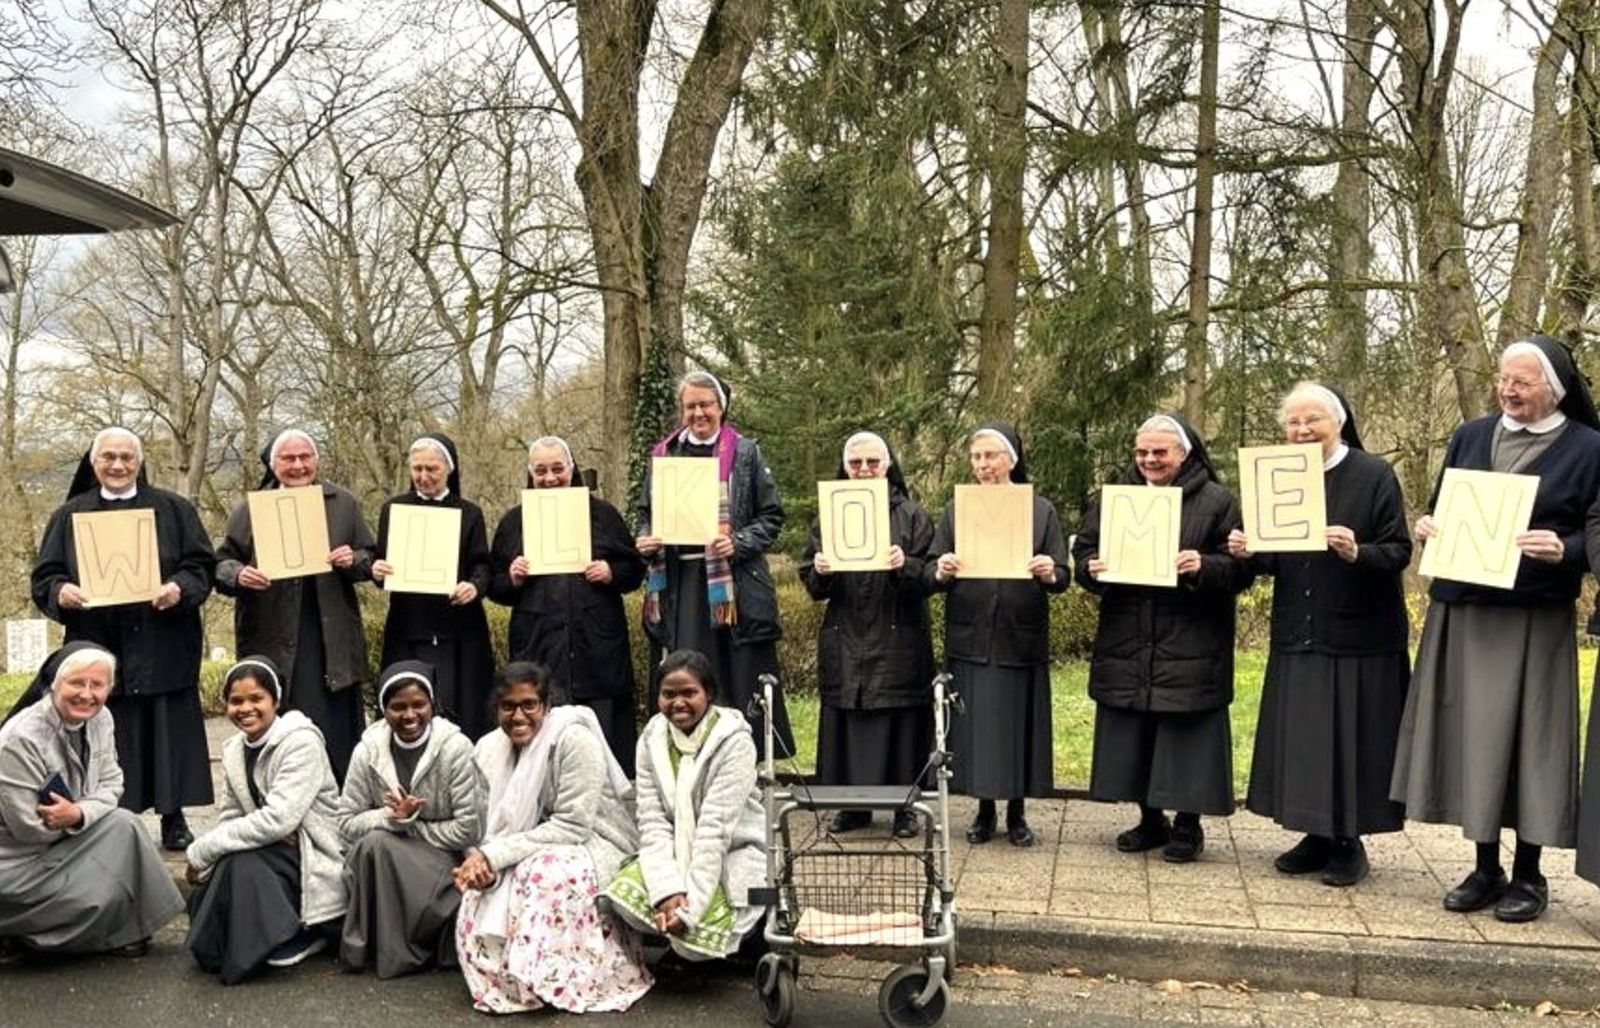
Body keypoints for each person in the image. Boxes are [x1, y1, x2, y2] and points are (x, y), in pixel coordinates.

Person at [1394, 336, 1600, 923]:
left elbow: (1597, 532)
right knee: (1472, 738)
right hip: (1464, 608)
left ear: (1554, 389)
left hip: (1534, 614)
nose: (1508, 391)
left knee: (1531, 741)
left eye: (1522, 383)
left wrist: (1567, 548)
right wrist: (1428, 525)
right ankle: (1485, 865)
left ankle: (1530, 874)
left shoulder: (1590, 448)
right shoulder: (1471, 435)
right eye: (1503, 380)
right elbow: (1440, 505)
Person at [1232, 384, 1411, 886]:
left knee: (1350, 741)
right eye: (1293, 423)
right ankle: (1314, 832)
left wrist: (1358, 551)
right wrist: (1249, 549)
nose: (1302, 430)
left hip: (1358, 631)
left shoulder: (1373, 474)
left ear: (1338, 421)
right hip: (1298, 628)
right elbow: (1273, 558)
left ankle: (1349, 842)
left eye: (1313, 420)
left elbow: (1398, 550)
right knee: (1306, 740)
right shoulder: (1277, 477)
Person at [1074, 414, 1254, 863]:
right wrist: (1089, 567)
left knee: (1185, 736)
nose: (1149, 460)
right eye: (1141, 452)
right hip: (1128, 633)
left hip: (1190, 637)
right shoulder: (1116, 498)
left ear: (1184, 453)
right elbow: (1084, 550)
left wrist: (1205, 566)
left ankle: (1188, 827)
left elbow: (1242, 568)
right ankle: (1150, 819)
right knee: (1139, 733)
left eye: (1159, 452)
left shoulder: (1218, 502)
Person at [28, 426, 216, 850]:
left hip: (164, 641)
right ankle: (113, 819)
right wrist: (62, 591)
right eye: (108, 457)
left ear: (140, 462)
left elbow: (201, 566)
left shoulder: (174, 510)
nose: (117, 465)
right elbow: (45, 577)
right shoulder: (69, 516)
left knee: (168, 732)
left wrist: (178, 589)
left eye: (126, 457)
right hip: (100, 645)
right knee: (111, 737)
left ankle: (174, 818)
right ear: (94, 463)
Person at [453, 662, 652, 1014]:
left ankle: (562, 980)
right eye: (508, 706)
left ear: (546, 706)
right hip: (515, 847)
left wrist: (496, 855)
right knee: (478, 892)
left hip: (591, 842)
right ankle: (507, 983)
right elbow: (479, 825)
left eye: (529, 704)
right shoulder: (486, 749)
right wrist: (479, 861)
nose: (518, 716)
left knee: (541, 874)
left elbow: (573, 825)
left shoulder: (574, 739)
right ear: (496, 709)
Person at [925, 422, 1069, 847]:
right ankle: (984, 811)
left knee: (1018, 727)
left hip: (1018, 636)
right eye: (976, 457)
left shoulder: (1040, 511)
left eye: (991, 456)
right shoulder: (956, 511)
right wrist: (942, 568)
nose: (983, 465)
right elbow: (931, 569)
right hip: (971, 634)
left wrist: (1049, 571)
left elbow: (1062, 574)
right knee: (976, 730)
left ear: (1012, 459)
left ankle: (1018, 812)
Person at [636, 371, 793, 758]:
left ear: (721, 407)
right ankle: (694, 757)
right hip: (682, 583)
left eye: (706, 404)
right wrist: (646, 536)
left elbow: (771, 517)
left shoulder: (745, 453)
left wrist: (736, 542)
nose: (698, 412)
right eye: (690, 405)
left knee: (741, 675)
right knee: (692, 672)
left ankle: (753, 762)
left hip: (733, 584)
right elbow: (645, 514)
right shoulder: (663, 456)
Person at [0, 643, 183, 964]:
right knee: (98, 889)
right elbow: (30, 829)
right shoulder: (19, 740)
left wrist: (79, 813)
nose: (86, 694)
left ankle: (130, 926)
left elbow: (113, 784)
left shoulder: (102, 720)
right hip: (16, 862)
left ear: (109, 689)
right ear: (54, 683)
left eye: (97, 685)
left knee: (124, 825)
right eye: (76, 683)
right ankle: (27, 934)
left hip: (60, 837)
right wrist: (81, 821)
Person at [216, 429, 376, 781]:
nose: (299, 465)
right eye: (289, 459)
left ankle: (341, 801)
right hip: (273, 633)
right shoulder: (251, 509)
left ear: (316, 461)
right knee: (283, 721)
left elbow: (371, 558)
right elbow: (221, 564)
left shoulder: (342, 503)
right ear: (274, 465)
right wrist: (240, 574)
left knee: (336, 728)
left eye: (305, 457)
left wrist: (354, 558)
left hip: (329, 634)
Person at [799, 430, 936, 837]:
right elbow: (810, 580)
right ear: (845, 467)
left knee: (901, 720)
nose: (863, 470)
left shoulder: (912, 515)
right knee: (848, 719)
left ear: (888, 466)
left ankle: (904, 809)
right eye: (855, 463)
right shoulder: (828, 517)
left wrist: (904, 564)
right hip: (846, 633)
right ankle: (851, 807)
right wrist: (819, 569)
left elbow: (930, 576)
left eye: (872, 463)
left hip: (897, 633)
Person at [185, 657, 346, 983]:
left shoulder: (302, 742)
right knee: (233, 858)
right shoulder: (233, 749)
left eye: (256, 698)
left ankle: (303, 930)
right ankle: (245, 939)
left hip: (311, 850)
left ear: (275, 700)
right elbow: (232, 815)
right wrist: (223, 844)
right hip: (270, 846)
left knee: (242, 861)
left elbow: (279, 819)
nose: (246, 708)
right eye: (236, 700)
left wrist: (201, 851)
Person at [491, 436, 646, 771]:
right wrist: (513, 577)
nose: (550, 478)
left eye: (557, 469)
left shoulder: (603, 514)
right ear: (530, 474)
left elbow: (634, 571)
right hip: (539, 642)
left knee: (602, 732)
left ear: (571, 469)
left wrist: (610, 571)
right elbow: (494, 585)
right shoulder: (513, 521)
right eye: (541, 471)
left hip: (596, 644)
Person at [605, 650, 765, 960]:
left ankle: (742, 939)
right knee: (622, 901)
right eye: (668, 694)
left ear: (709, 694)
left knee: (692, 944)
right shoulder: (651, 738)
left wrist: (691, 906)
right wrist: (668, 892)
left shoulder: (735, 742)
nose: (678, 702)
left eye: (689, 693)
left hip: (732, 851)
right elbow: (652, 823)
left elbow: (714, 830)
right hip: (674, 851)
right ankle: (674, 925)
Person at [337, 660, 484, 978]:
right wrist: (391, 818)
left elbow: (469, 827)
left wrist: (410, 825)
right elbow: (345, 823)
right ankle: (392, 948)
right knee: (375, 844)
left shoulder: (455, 748)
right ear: (383, 708)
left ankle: (396, 951)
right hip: (387, 857)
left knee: (378, 845)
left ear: (432, 704)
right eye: (397, 706)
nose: (409, 715)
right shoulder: (367, 751)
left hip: (445, 861)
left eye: (419, 705)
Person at [371, 434, 494, 740]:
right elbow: (381, 562)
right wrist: (376, 570)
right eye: (417, 469)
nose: (423, 477)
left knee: (459, 707)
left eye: (432, 469)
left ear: (449, 470)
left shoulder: (470, 512)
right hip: (408, 624)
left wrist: (474, 587)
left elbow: (482, 564)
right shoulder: (393, 509)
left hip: (458, 628)